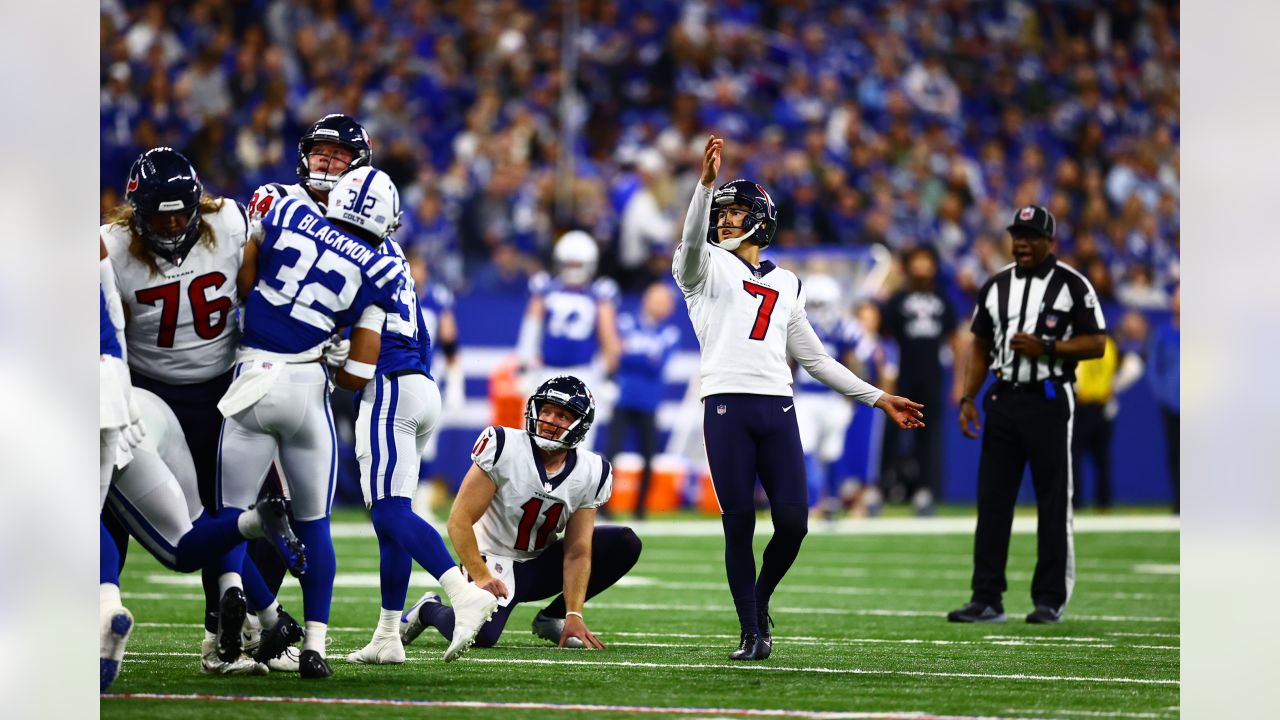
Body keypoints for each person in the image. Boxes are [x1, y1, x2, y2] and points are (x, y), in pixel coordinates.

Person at [673, 136, 925, 660]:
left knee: (793, 523)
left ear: (761, 220)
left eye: (735, 213)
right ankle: (750, 630)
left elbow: (815, 359)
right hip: (726, 406)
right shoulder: (702, 269)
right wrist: (704, 187)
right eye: (721, 213)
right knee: (739, 521)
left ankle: (760, 600)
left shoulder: (786, 281)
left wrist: (880, 398)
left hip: (777, 406)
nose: (724, 221)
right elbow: (694, 241)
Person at [100, 147, 289, 674]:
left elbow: (263, 289)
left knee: (247, 512)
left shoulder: (228, 222)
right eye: (161, 217)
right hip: (149, 398)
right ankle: (102, 609)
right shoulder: (110, 246)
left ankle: (228, 630)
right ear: (136, 212)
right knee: (119, 512)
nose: (174, 225)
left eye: (182, 213)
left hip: (223, 394)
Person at [215, 166, 410, 678]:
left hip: (254, 375)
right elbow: (359, 374)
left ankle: (244, 623)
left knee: (228, 518)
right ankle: (314, 648)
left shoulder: (286, 209)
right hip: (307, 391)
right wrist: (330, 349)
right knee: (315, 526)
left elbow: (245, 282)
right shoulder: (381, 267)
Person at [339, 215, 500, 666]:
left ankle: (461, 592)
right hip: (418, 385)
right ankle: (388, 634)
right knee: (393, 524)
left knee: (390, 512)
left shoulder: (351, 252)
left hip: (388, 385)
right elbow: (426, 336)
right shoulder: (396, 257)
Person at [242, 113, 374, 624]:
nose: (327, 159)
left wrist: (343, 339)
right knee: (255, 507)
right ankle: (236, 625)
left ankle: (255, 624)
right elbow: (244, 278)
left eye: (340, 154)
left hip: (311, 380)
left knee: (290, 511)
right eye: (321, 149)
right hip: (257, 366)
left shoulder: (363, 226)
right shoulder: (274, 198)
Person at [400, 375, 642, 651]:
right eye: (547, 410)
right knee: (482, 636)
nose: (550, 420)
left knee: (625, 542)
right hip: (491, 559)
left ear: (580, 424)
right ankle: (428, 609)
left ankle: (554, 616)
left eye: (562, 415)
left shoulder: (592, 470)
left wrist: (574, 613)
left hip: (538, 564)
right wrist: (480, 575)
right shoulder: (504, 445)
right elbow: (459, 519)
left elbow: (577, 551)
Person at [950, 205, 1107, 626]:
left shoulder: (1073, 285)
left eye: (1031, 235)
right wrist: (968, 397)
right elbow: (980, 344)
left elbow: (1097, 343)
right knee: (993, 501)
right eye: (1016, 234)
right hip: (1003, 399)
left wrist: (1050, 348)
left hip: (1050, 397)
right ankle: (986, 598)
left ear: (1049, 241)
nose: (1021, 242)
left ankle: (1049, 599)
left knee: (1053, 502)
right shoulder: (997, 284)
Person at [516, 230, 622, 448]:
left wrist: (610, 375)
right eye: (569, 264)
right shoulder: (545, 288)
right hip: (546, 371)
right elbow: (531, 329)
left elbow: (608, 338)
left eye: (577, 265)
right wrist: (525, 366)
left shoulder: (599, 294)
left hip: (583, 374)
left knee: (577, 442)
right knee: (533, 437)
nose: (573, 271)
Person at [880, 245, 961, 515]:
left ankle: (925, 492)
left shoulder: (944, 300)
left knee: (928, 436)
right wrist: (887, 376)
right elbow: (886, 340)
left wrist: (959, 382)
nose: (921, 267)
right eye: (917, 261)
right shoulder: (898, 300)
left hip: (932, 377)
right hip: (902, 375)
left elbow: (956, 340)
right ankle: (882, 488)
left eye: (926, 261)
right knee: (891, 434)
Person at [604, 281, 681, 519]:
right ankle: (604, 504)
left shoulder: (669, 333)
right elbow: (616, 356)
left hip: (649, 401)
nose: (660, 307)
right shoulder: (626, 322)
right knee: (611, 452)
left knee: (648, 456)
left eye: (665, 303)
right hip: (623, 398)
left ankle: (641, 508)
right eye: (657, 300)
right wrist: (640, 357)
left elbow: (657, 366)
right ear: (646, 300)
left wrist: (630, 355)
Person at [790, 273, 864, 519]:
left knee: (830, 451)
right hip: (809, 397)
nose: (817, 310)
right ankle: (814, 500)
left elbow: (854, 362)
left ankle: (829, 499)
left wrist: (851, 395)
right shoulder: (799, 323)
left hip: (830, 397)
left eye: (821, 304)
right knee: (807, 448)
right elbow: (789, 361)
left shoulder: (844, 327)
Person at [1146, 284, 1179, 513]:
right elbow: (1153, 368)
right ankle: (1179, 501)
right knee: (1175, 453)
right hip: (1173, 405)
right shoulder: (1163, 334)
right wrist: (1164, 396)